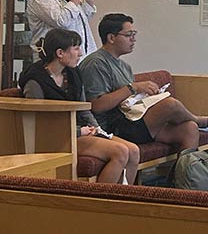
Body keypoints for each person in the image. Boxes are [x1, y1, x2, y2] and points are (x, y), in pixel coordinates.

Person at [78, 13, 208, 150]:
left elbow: (130, 101)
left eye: (134, 34)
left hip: (132, 118)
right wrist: (133, 88)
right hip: (114, 126)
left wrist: (147, 96)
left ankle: (184, 180)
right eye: (128, 35)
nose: (133, 39)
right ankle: (201, 121)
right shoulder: (96, 63)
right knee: (170, 105)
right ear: (111, 38)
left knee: (189, 129)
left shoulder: (124, 66)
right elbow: (97, 105)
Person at [20, 28, 140, 184]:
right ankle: (100, 203)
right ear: (60, 53)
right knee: (121, 152)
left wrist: (96, 128)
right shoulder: (35, 82)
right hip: (57, 137)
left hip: (79, 131)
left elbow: (84, 107)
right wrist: (78, 131)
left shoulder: (73, 74)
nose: (81, 53)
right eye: (76, 48)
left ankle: (125, 199)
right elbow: (38, 123)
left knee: (134, 151)